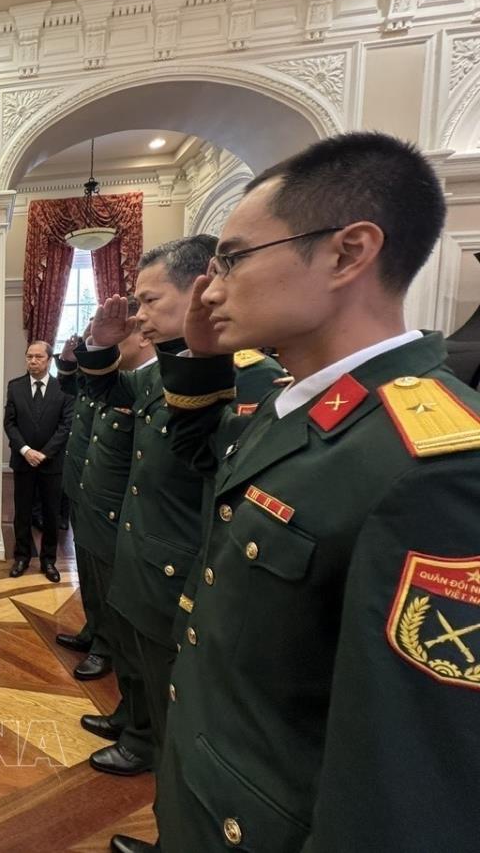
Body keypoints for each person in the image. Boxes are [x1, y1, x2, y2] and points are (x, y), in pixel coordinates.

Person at [147, 132, 480, 853]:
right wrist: (199, 359)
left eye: (233, 259)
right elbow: (201, 461)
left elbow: (410, 778)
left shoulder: (436, 462)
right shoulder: (297, 402)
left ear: (347, 253)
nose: (210, 288)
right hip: (209, 791)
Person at [75, 236, 282, 797]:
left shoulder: (250, 378)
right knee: (136, 660)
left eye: (150, 300)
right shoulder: (163, 372)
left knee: (171, 693)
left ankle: (153, 755)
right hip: (139, 548)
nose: (140, 315)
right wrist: (99, 344)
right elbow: (107, 393)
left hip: (179, 561)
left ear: (198, 291)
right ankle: (135, 727)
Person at [56, 309, 157, 777]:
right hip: (93, 499)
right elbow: (76, 386)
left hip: (123, 517)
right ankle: (128, 714)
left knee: (132, 632)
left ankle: (139, 728)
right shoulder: (123, 383)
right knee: (98, 588)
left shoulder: (154, 385)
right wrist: (77, 355)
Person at [4, 340, 74, 582]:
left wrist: (44, 454)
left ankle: (48, 561)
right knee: (22, 512)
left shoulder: (62, 389)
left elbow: (65, 426)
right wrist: (26, 451)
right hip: (23, 460)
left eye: (38, 357)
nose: (33, 361)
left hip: (51, 464)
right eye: (29, 357)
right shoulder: (15, 387)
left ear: (49, 360)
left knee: (51, 513)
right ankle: (21, 557)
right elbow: (9, 423)